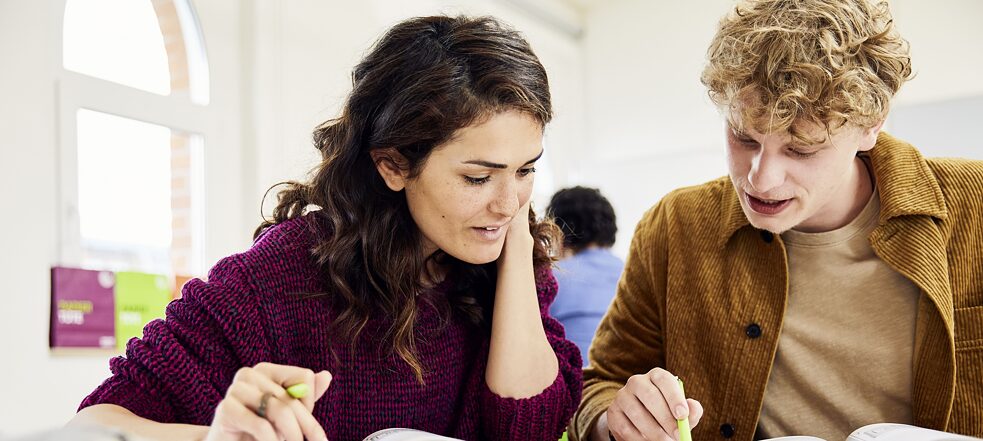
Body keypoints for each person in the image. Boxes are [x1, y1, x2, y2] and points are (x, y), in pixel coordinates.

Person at [69, 15, 582, 441]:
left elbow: (528, 428)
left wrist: (516, 243)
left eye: (526, 169)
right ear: (393, 166)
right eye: (478, 177)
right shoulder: (280, 279)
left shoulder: (507, 264)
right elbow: (92, 426)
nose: (510, 202)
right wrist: (215, 437)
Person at [570, 0, 983, 440]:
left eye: (801, 149)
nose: (760, 180)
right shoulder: (675, 226)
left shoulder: (974, 206)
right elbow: (599, 384)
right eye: (743, 137)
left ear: (871, 125)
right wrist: (612, 420)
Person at [547, 186, 624, 366]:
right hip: (624, 383)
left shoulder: (552, 278)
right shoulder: (630, 271)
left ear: (557, 229)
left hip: (575, 384)